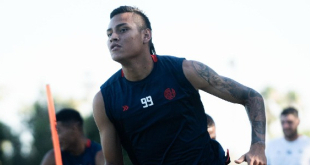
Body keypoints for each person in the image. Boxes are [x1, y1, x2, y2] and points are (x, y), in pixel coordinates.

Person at [93, 5, 266, 165]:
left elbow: (251, 97)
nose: (113, 37)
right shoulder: (104, 99)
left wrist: (258, 147)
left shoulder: (186, 70)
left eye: (123, 30)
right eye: (109, 34)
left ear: (146, 35)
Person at [40, 108, 105, 165]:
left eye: (58, 131)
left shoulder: (99, 155)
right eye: (52, 134)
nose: (53, 138)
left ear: (75, 128)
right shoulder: (53, 158)